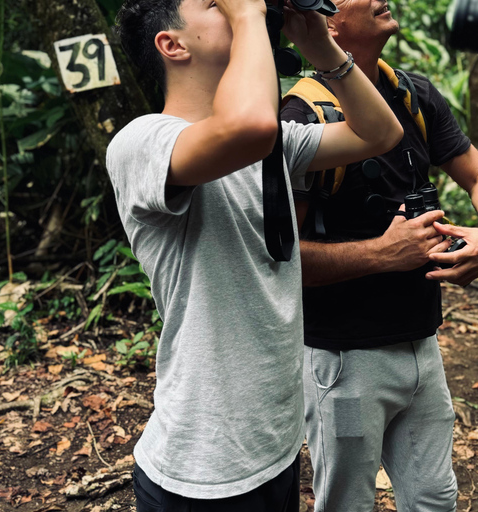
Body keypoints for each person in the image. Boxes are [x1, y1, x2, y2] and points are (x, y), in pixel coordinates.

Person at [106, 1, 404, 510]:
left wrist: (320, 47)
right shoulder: (142, 142)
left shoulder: (273, 146)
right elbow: (248, 127)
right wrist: (248, 16)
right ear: (172, 45)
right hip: (200, 467)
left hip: (275, 448)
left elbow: (381, 134)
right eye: (212, 3)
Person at [280, 1, 478, 511]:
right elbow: (280, 259)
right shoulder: (301, 116)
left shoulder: (411, 94)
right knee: (347, 503)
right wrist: (383, 254)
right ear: (328, 24)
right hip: (344, 360)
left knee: (434, 498)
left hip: (421, 345)